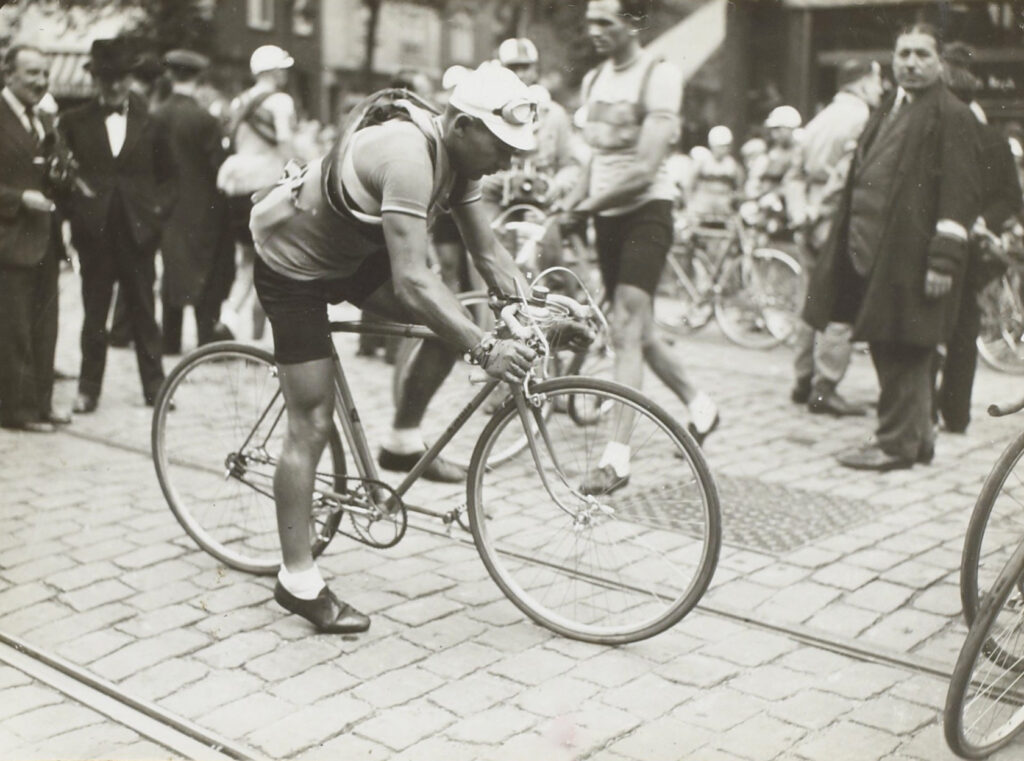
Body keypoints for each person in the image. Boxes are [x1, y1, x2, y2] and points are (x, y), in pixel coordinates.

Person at [249, 63, 564, 633]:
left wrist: (538, 308)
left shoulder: (461, 157)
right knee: (312, 421)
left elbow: (488, 252)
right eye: (503, 146)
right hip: (294, 268)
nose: (511, 161)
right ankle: (296, 578)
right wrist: (487, 349)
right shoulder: (408, 157)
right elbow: (414, 284)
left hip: (346, 257)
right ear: (465, 127)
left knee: (454, 325)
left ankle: (399, 441)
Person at [805, 24, 981, 471]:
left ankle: (894, 444)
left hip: (914, 256)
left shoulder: (952, 113)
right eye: (904, 53)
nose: (911, 62)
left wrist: (943, 258)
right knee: (890, 344)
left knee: (906, 346)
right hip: (872, 253)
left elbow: (960, 195)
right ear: (892, 58)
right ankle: (916, 438)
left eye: (923, 54)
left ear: (940, 61)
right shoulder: (891, 105)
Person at [560, 0, 718, 494]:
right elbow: (593, 158)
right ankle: (701, 406)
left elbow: (647, 166)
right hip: (605, 215)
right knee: (642, 332)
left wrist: (585, 205)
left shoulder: (658, 74)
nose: (595, 30)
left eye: (606, 21)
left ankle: (616, 460)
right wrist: (567, 199)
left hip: (647, 211)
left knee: (626, 327)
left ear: (633, 22)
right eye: (590, 20)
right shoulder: (594, 80)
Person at [59, 38, 169, 414]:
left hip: (138, 233)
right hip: (96, 235)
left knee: (144, 311)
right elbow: (62, 179)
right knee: (95, 314)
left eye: (121, 77)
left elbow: (170, 178)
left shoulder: (150, 123)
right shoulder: (73, 122)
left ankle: (155, 388)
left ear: (130, 78)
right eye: (106, 78)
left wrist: (155, 217)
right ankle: (88, 389)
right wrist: (78, 213)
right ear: (94, 79)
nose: (114, 85)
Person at [788, 59, 884, 416]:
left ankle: (802, 377)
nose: (881, 88)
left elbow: (794, 174)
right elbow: (845, 176)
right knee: (838, 303)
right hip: (835, 219)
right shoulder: (861, 119)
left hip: (808, 218)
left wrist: (801, 213)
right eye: (877, 80)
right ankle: (824, 386)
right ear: (861, 83)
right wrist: (820, 211)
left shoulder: (817, 121)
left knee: (808, 300)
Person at [935, 48, 1023, 433]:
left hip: (963, 251)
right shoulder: (989, 137)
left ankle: (948, 414)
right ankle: (947, 415)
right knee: (958, 331)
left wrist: (980, 221)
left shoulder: (988, 140)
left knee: (955, 329)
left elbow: (1010, 198)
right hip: (961, 247)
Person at [0, 45, 71, 433]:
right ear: (8, 74)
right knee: (14, 331)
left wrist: (62, 172)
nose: (41, 81)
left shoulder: (44, 118)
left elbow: (52, 168)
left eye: (45, 73)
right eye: (32, 73)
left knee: (45, 327)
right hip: (9, 239)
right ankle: (17, 411)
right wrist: (17, 199)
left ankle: (41, 405)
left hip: (45, 238)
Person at [152, 50, 235, 355]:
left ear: (171, 76)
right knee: (207, 270)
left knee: (172, 270)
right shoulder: (205, 119)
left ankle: (170, 340)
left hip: (169, 207)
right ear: (198, 77)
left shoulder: (156, 115)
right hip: (205, 208)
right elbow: (219, 165)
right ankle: (205, 339)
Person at [218, 44, 298, 342]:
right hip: (267, 183)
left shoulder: (241, 101)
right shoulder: (280, 101)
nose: (285, 74)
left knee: (247, 259)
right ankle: (259, 337)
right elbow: (285, 142)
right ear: (273, 71)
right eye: (282, 68)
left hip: (236, 183)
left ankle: (229, 314)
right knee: (273, 260)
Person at [686, 125, 744, 219]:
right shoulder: (702, 162)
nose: (723, 150)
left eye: (726, 146)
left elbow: (739, 187)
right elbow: (690, 184)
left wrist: (734, 201)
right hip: (701, 207)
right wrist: (689, 203)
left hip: (724, 208)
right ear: (712, 145)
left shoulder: (733, 165)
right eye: (720, 146)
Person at [746, 105, 802, 200]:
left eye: (778, 129)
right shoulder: (770, 153)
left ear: (789, 128)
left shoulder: (800, 151)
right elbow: (755, 180)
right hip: (769, 201)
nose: (774, 135)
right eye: (773, 130)